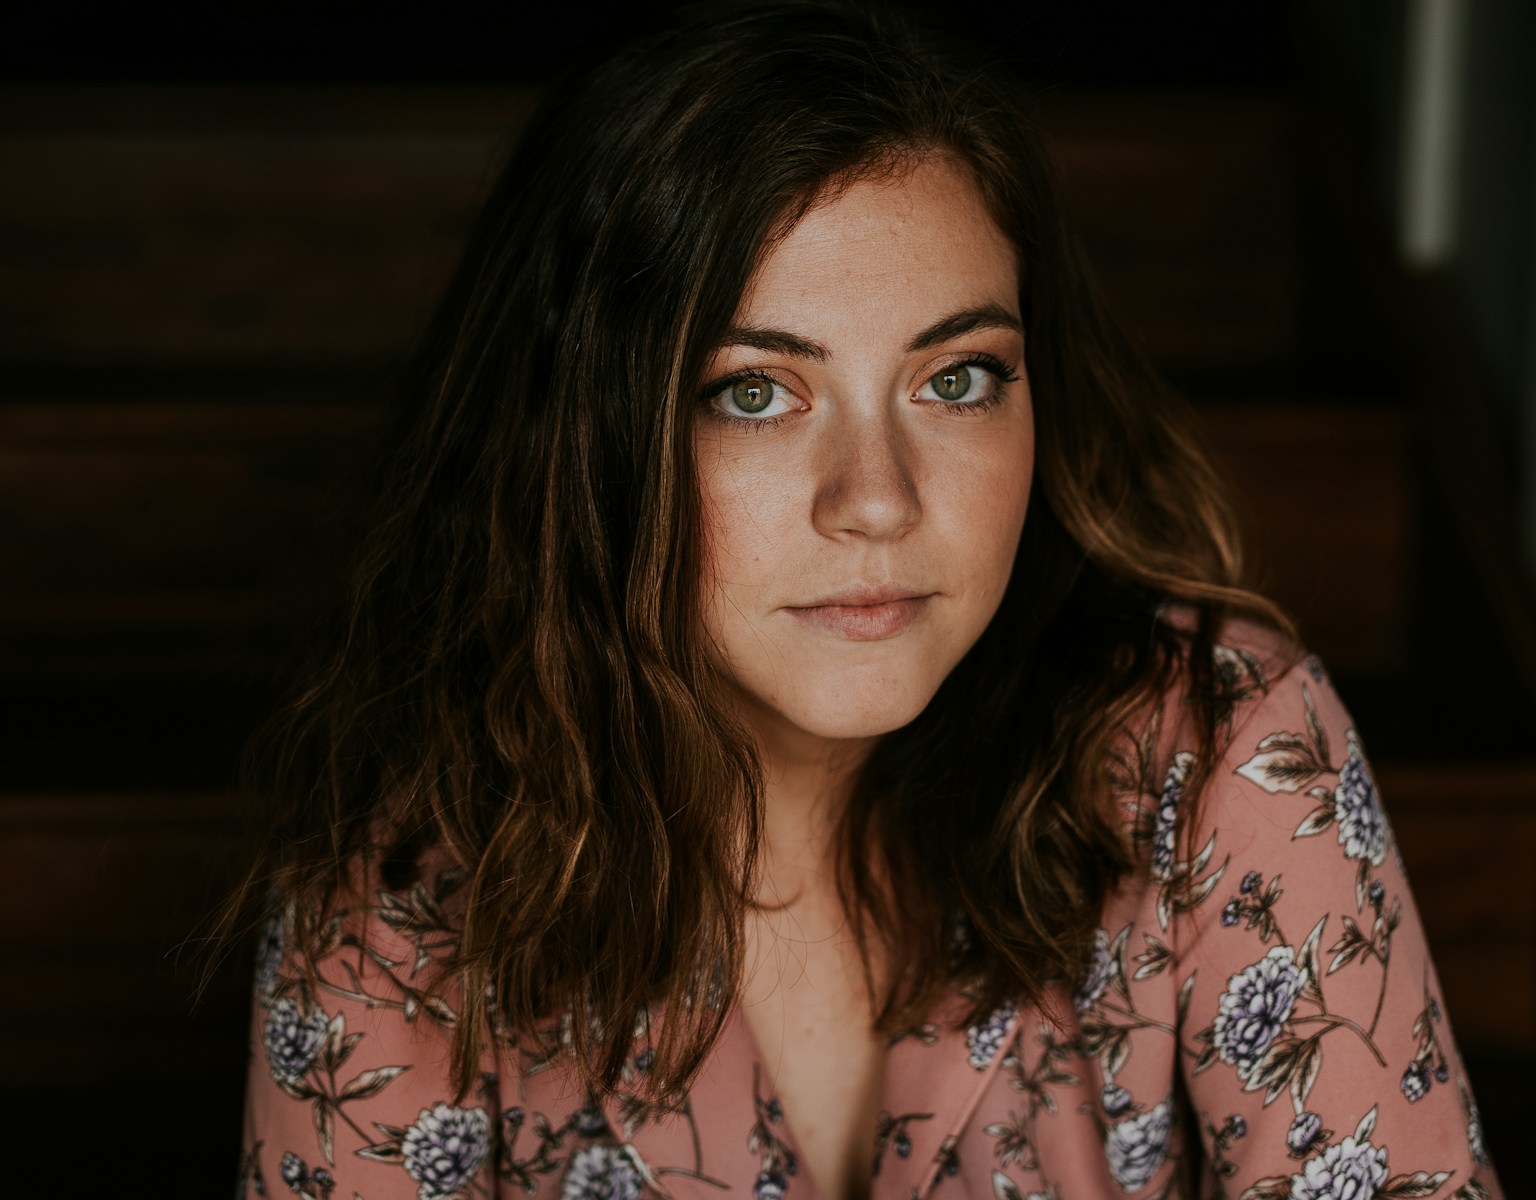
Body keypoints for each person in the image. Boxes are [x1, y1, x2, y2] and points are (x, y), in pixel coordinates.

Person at [230, 3, 1504, 1198]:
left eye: (956, 379)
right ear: (582, 438)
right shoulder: (408, 883)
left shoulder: (1220, 748)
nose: (878, 501)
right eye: (753, 392)